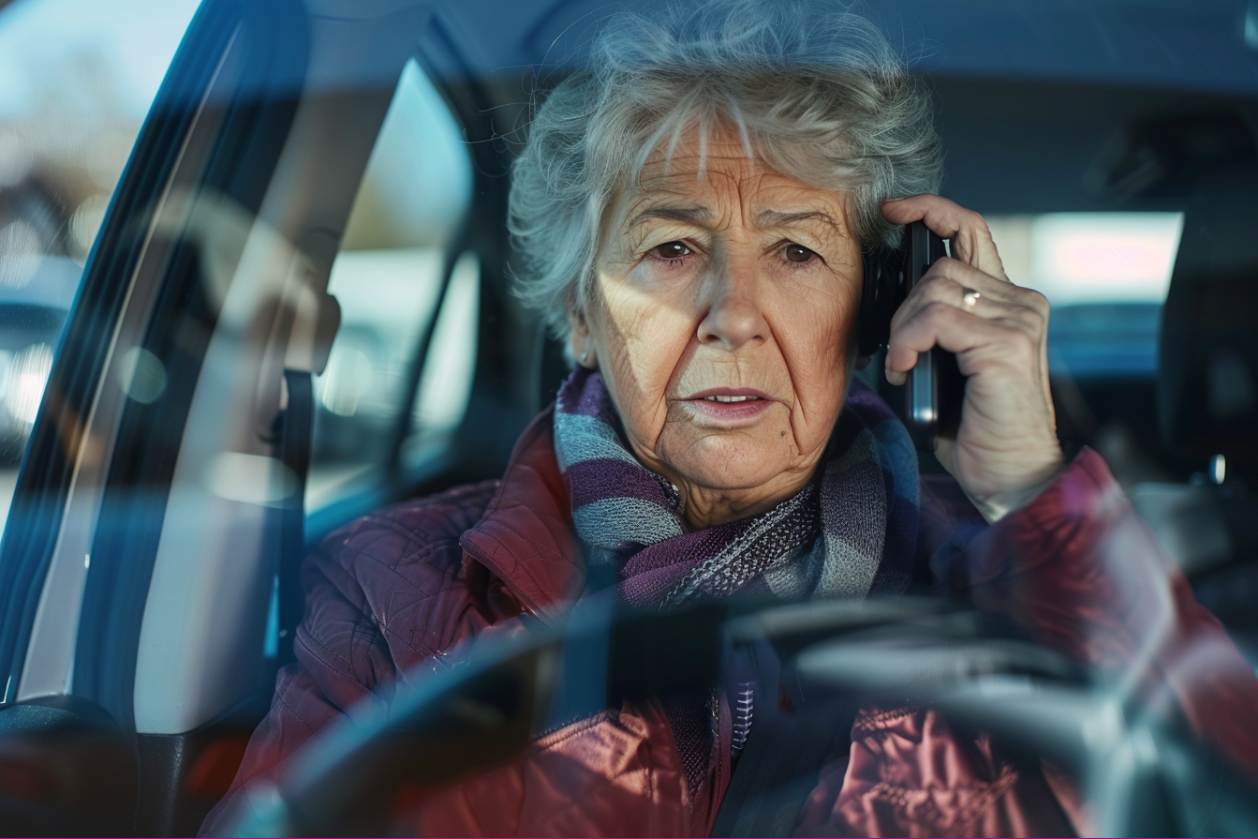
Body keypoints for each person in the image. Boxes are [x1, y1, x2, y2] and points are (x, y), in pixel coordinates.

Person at [202, 0, 1258, 834]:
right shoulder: (394, 589)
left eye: (795, 251)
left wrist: (1034, 493)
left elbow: (1217, 796)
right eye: (670, 248)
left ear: (873, 307)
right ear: (580, 309)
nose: (732, 315)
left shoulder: (1011, 579)